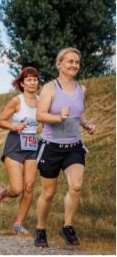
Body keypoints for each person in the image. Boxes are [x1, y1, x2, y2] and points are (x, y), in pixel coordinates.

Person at [33, 48, 96, 248]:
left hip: (73, 147)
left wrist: (86, 124)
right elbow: (40, 115)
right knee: (48, 193)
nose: (74, 65)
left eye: (77, 62)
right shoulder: (50, 88)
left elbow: (79, 113)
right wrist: (58, 117)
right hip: (50, 147)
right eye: (69, 61)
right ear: (59, 63)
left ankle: (67, 226)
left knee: (76, 186)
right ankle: (40, 229)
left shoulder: (81, 89)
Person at [0, 66, 40, 236]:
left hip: (32, 145)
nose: (32, 82)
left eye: (35, 79)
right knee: (16, 189)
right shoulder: (17, 101)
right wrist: (15, 126)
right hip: (15, 144)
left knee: (29, 187)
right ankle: (2, 193)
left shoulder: (41, 101)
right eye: (29, 80)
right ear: (22, 84)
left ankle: (18, 224)